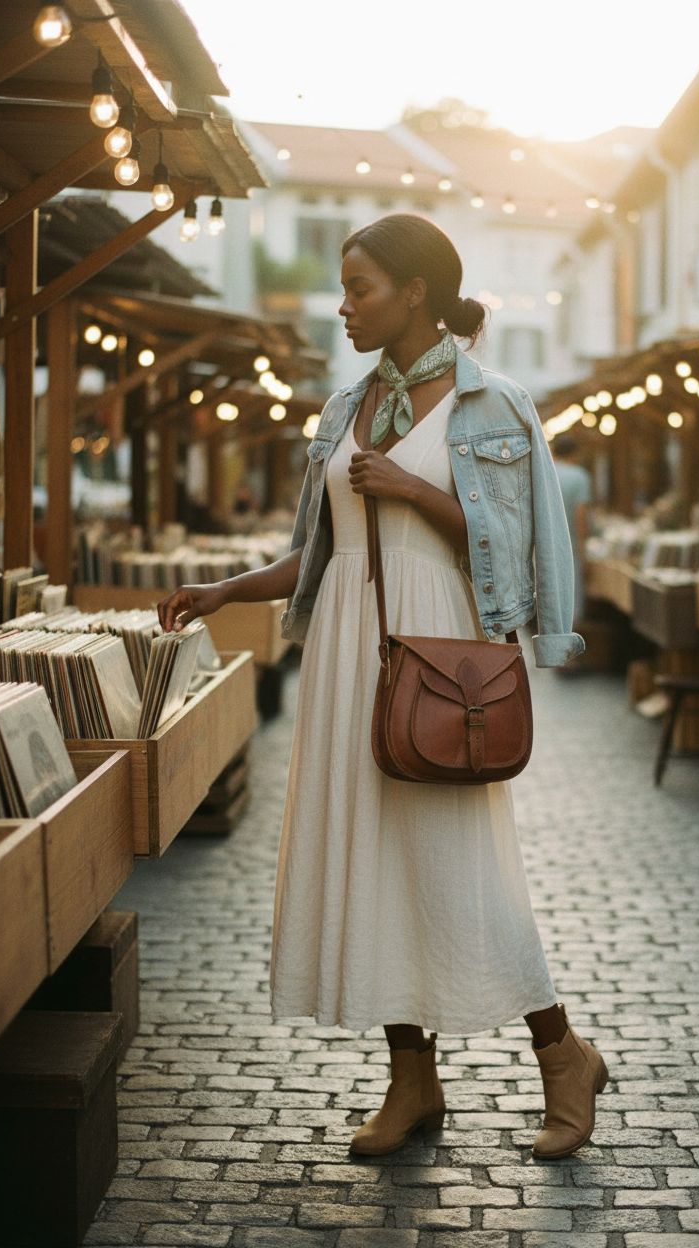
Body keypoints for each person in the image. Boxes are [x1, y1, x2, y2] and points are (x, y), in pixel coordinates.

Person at [158, 214, 608, 1162]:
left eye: (359, 286)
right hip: (347, 659)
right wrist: (223, 590)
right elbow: (317, 553)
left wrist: (414, 494)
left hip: (442, 655)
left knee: (460, 871)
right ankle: (413, 1078)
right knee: (374, 865)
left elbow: (524, 548)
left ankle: (563, 1055)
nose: (344, 304)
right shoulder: (344, 408)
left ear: (414, 291)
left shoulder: (498, 406)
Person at [551, 434, 592, 623]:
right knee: (570, 604)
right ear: (574, 453)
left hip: (544, 544)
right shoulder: (579, 476)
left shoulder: (546, 472)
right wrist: (583, 552)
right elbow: (580, 516)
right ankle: (569, 649)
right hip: (569, 547)